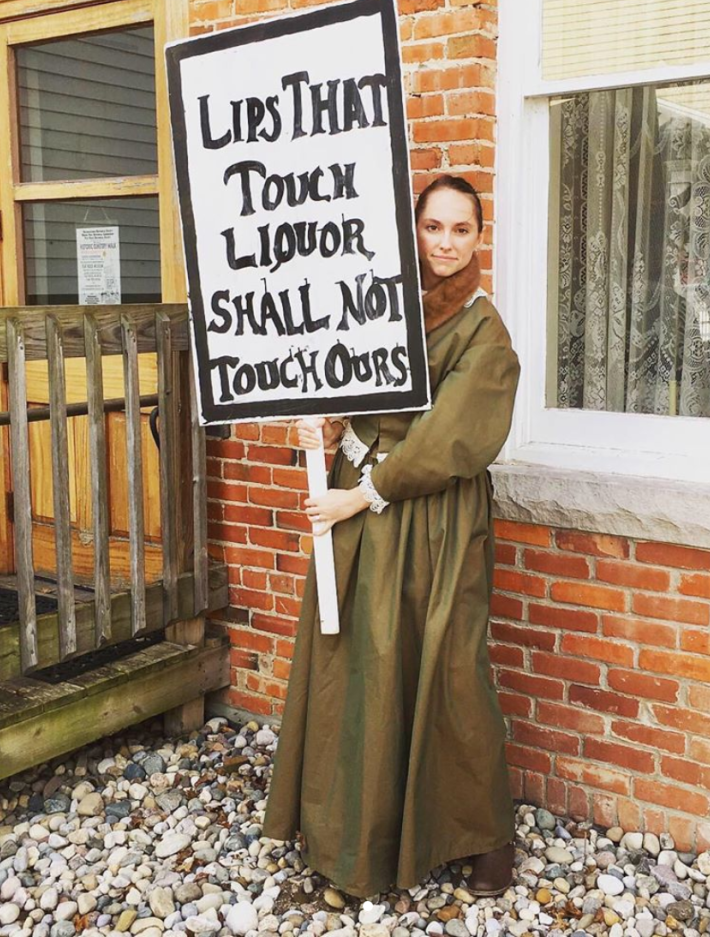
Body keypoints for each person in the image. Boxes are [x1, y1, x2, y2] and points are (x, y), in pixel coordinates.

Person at [261, 174, 521, 898]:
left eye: (461, 229)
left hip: (429, 517)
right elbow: (351, 390)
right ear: (416, 230)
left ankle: (483, 837)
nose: (445, 243)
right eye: (433, 227)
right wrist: (325, 425)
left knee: (448, 668)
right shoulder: (379, 305)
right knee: (356, 665)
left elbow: (449, 439)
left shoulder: (484, 332)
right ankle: (354, 837)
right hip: (355, 505)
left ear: (479, 236)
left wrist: (360, 495)